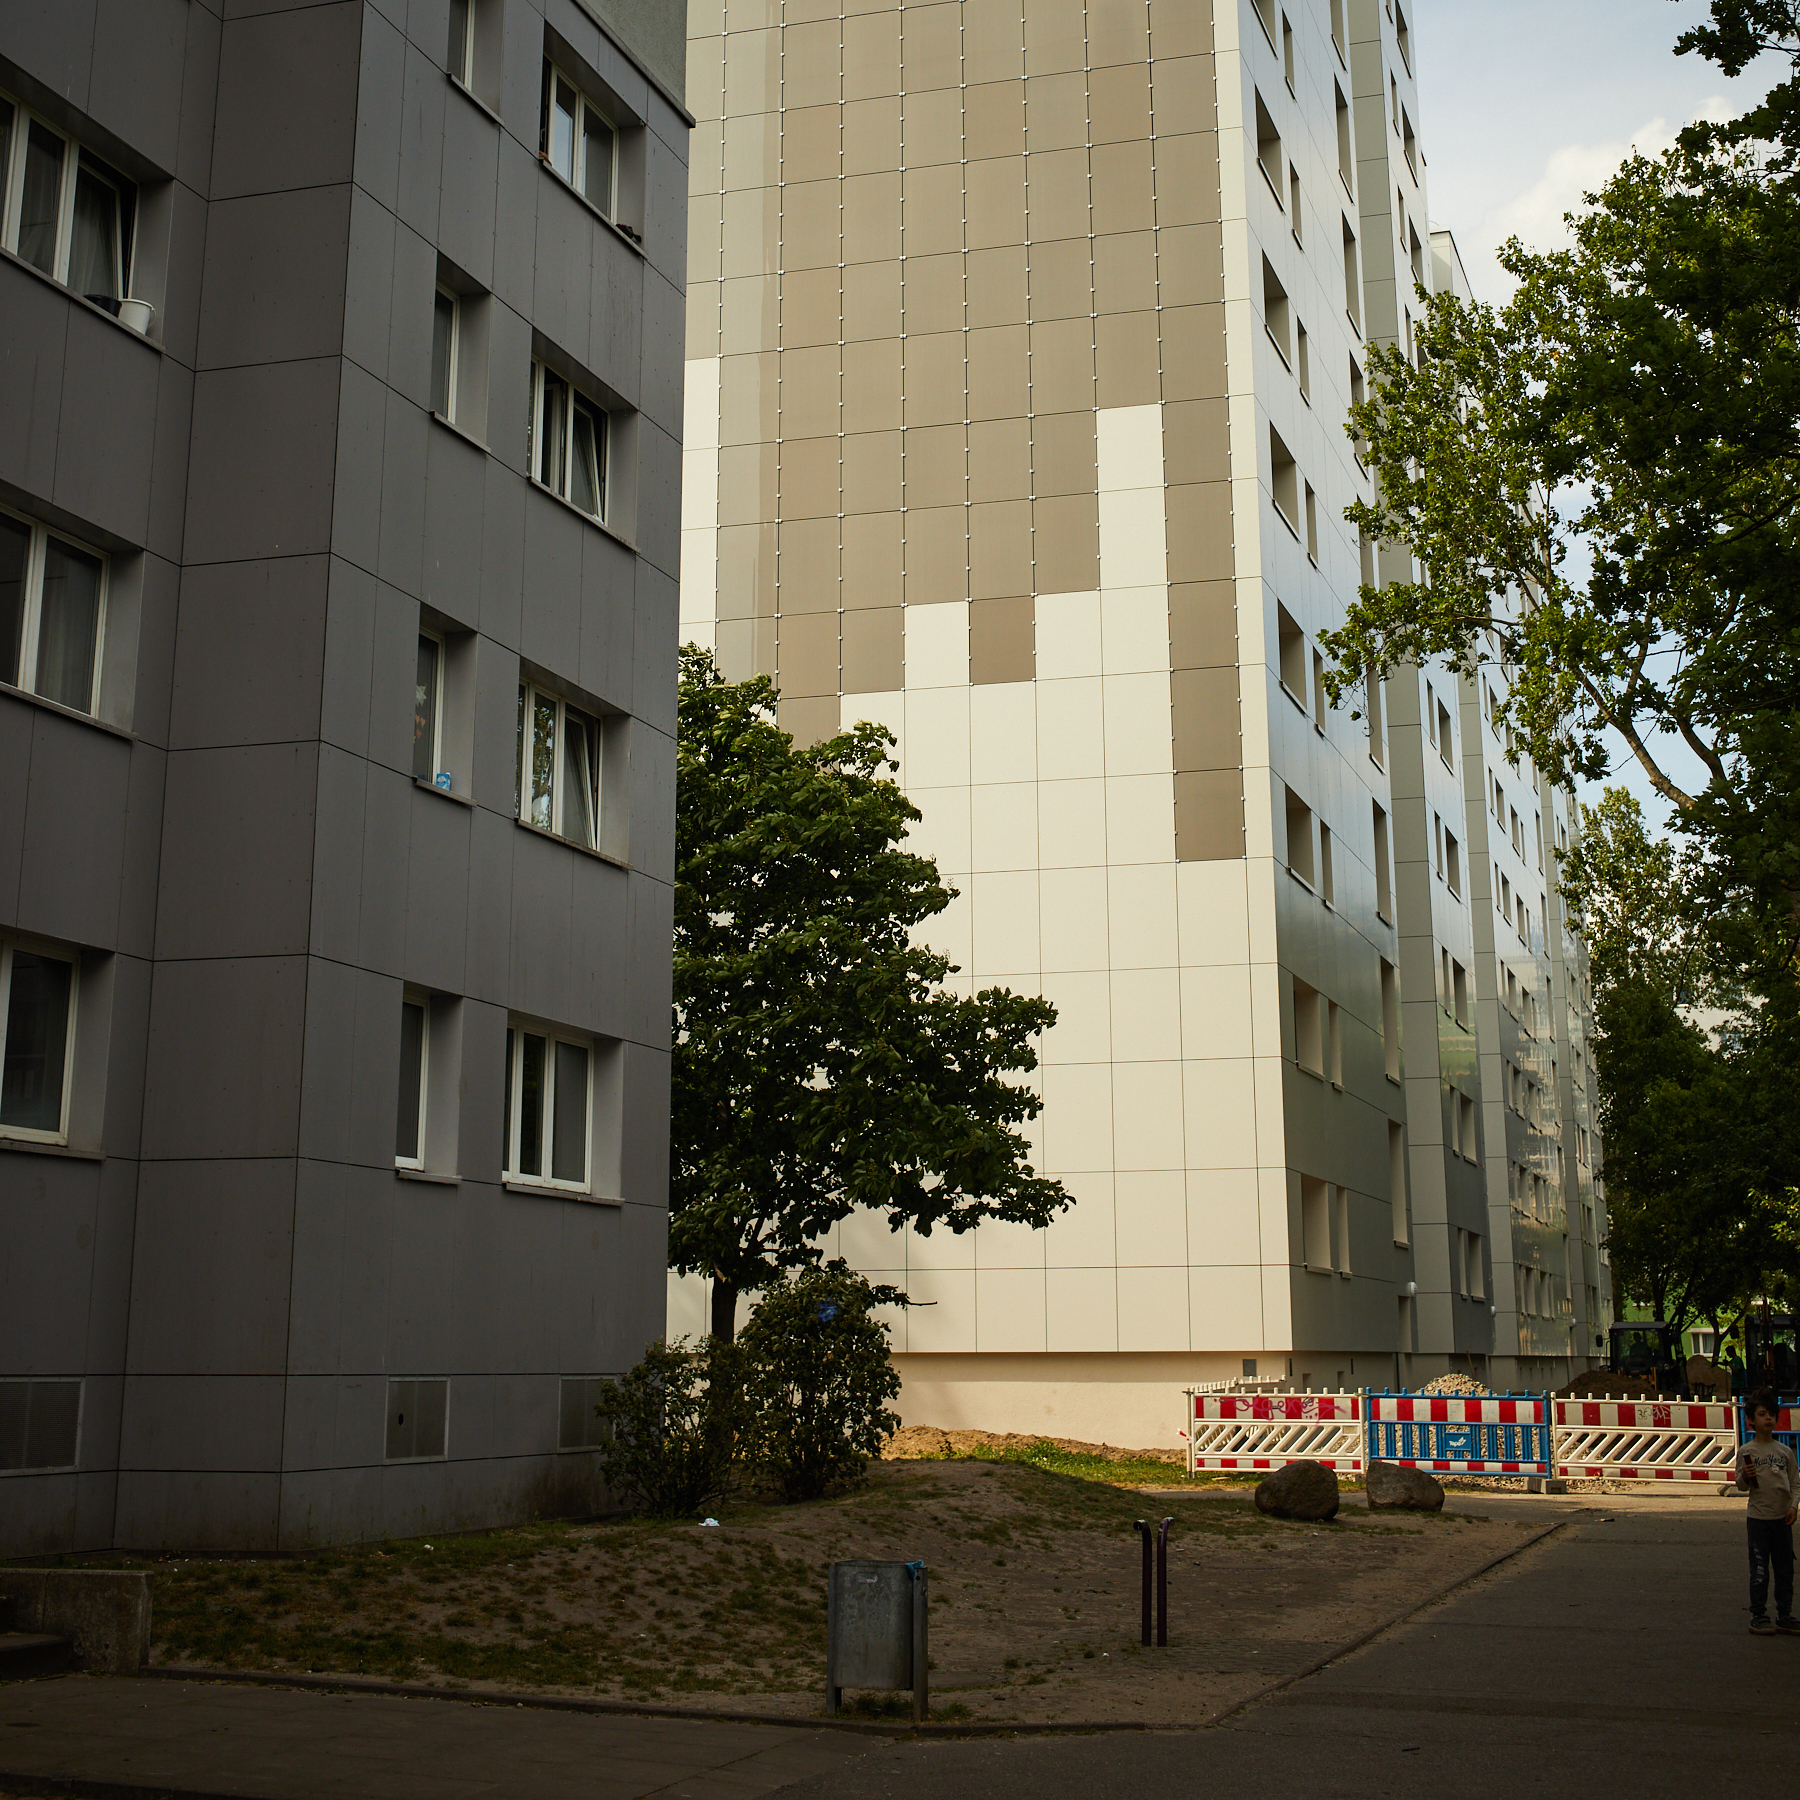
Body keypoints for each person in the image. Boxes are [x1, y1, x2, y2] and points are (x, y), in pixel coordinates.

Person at [1735, 1387, 1799, 1635]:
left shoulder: (1784, 1452)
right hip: (1758, 1519)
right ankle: (1758, 1614)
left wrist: (1793, 1506)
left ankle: (1785, 1614)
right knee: (1760, 1569)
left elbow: (1795, 1483)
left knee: (1785, 1569)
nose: (1768, 1418)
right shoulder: (1747, 1452)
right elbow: (1740, 1486)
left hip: (1782, 1519)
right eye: (1762, 1414)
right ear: (1751, 1420)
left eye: (1771, 1414)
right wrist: (1745, 1475)